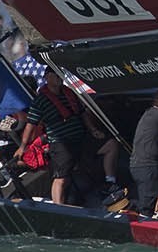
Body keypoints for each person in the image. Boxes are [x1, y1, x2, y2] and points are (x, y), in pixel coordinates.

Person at [19, 69, 118, 205]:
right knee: (61, 178)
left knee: (110, 145)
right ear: (47, 78)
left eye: (61, 75)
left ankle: (110, 183)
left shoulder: (69, 93)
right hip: (61, 143)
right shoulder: (40, 101)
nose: (60, 78)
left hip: (81, 138)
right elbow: (31, 124)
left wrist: (93, 130)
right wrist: (23, 147)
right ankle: (58, 207)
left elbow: (82, 113)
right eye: (56, 75)